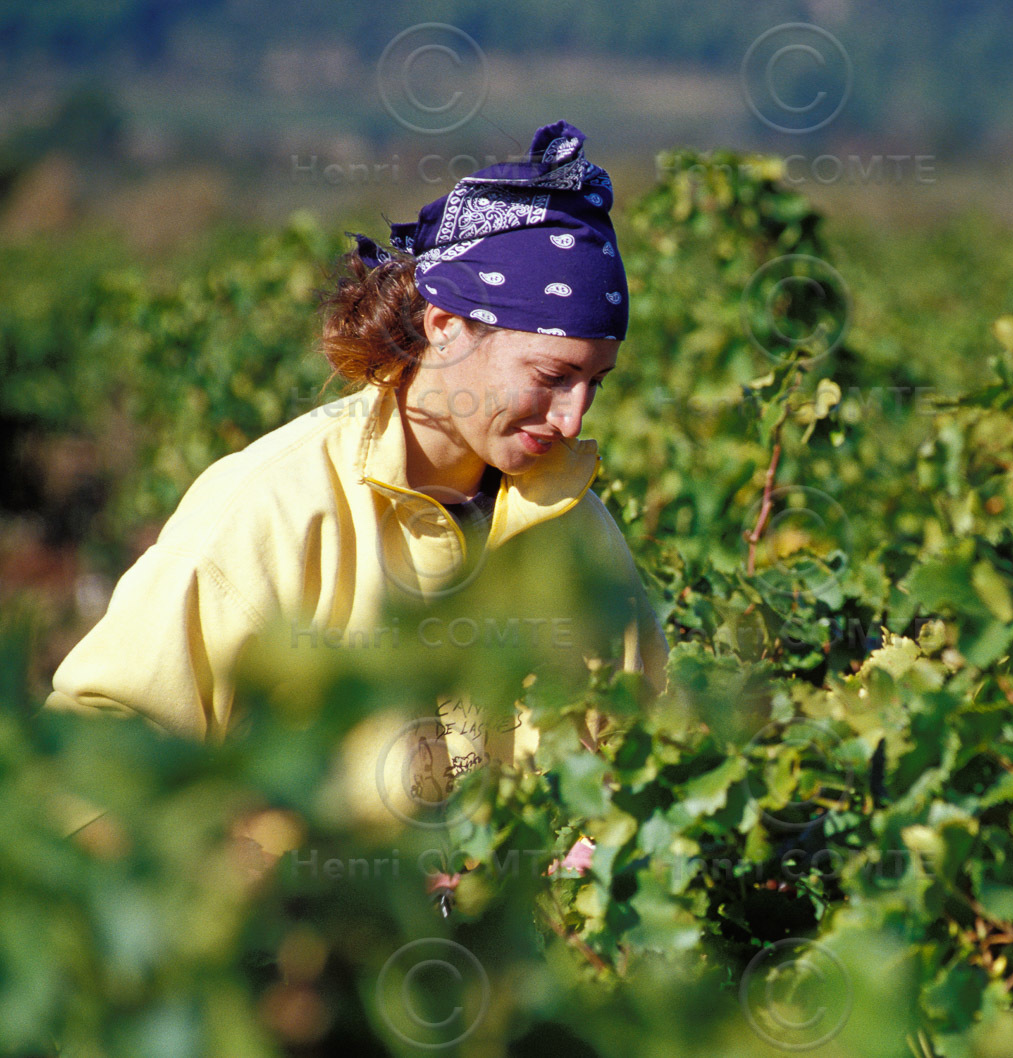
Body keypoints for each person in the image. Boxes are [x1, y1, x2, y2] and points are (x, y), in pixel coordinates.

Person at [46, 120, 669, 793]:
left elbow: (652, 756)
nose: (575, 417)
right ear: (446, 328)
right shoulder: (272, 507)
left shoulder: (575, 530)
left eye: (594, 384)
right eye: (552, 377)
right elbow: (99, 748)